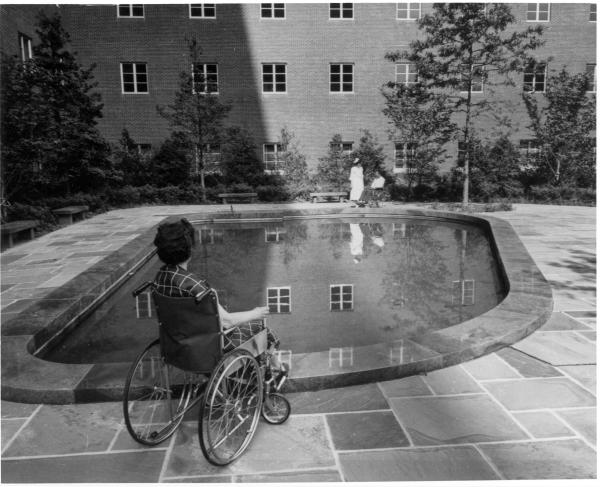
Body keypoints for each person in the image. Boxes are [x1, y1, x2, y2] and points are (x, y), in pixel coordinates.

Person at [152, 218, 288, 386]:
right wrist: (256, 312)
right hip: (208, 351)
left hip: (176, 347)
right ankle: (275, 373)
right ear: (190, 249)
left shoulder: (159, 279)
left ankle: (253, 375)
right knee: (264, 331)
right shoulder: (196, 287)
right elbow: (227, 321)